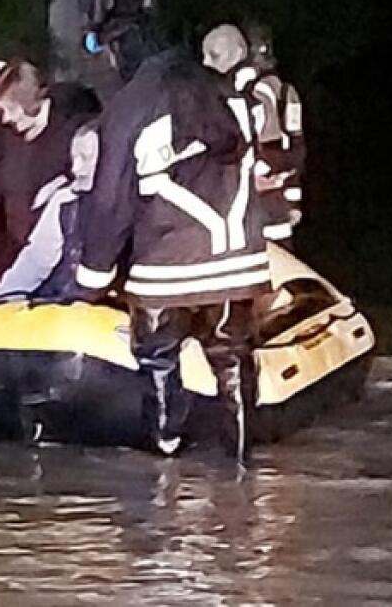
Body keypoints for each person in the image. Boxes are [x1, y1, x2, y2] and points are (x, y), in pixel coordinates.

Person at [74, 48, 270, 462]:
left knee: (158, 362)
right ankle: (241, 465)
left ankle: (165, 464)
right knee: (233, 360)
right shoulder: (234, 98)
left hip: (164, 264)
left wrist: (93, 275)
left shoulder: (133, 106)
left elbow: (112, 197)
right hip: (236, 263)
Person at [0, 60, 100, 297]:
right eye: (1, 112)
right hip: (14, 259)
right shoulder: (2, 137)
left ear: (28, 101)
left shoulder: (74, 131)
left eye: (10, 109)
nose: (6, 118)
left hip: (59, 267)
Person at [203, 23, 305, 243]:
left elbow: (264, 146)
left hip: (261, 203)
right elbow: (296, 146)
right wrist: (294, 199)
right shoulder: (286, 90)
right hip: (280, 201)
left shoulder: (253, 93)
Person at [0, 124, 99, 300]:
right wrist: (0, 298)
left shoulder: (134, 208)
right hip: (57, 306)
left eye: (85, 158)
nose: (76, 169)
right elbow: (36, 260)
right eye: (74, 158)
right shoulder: (64, 201)